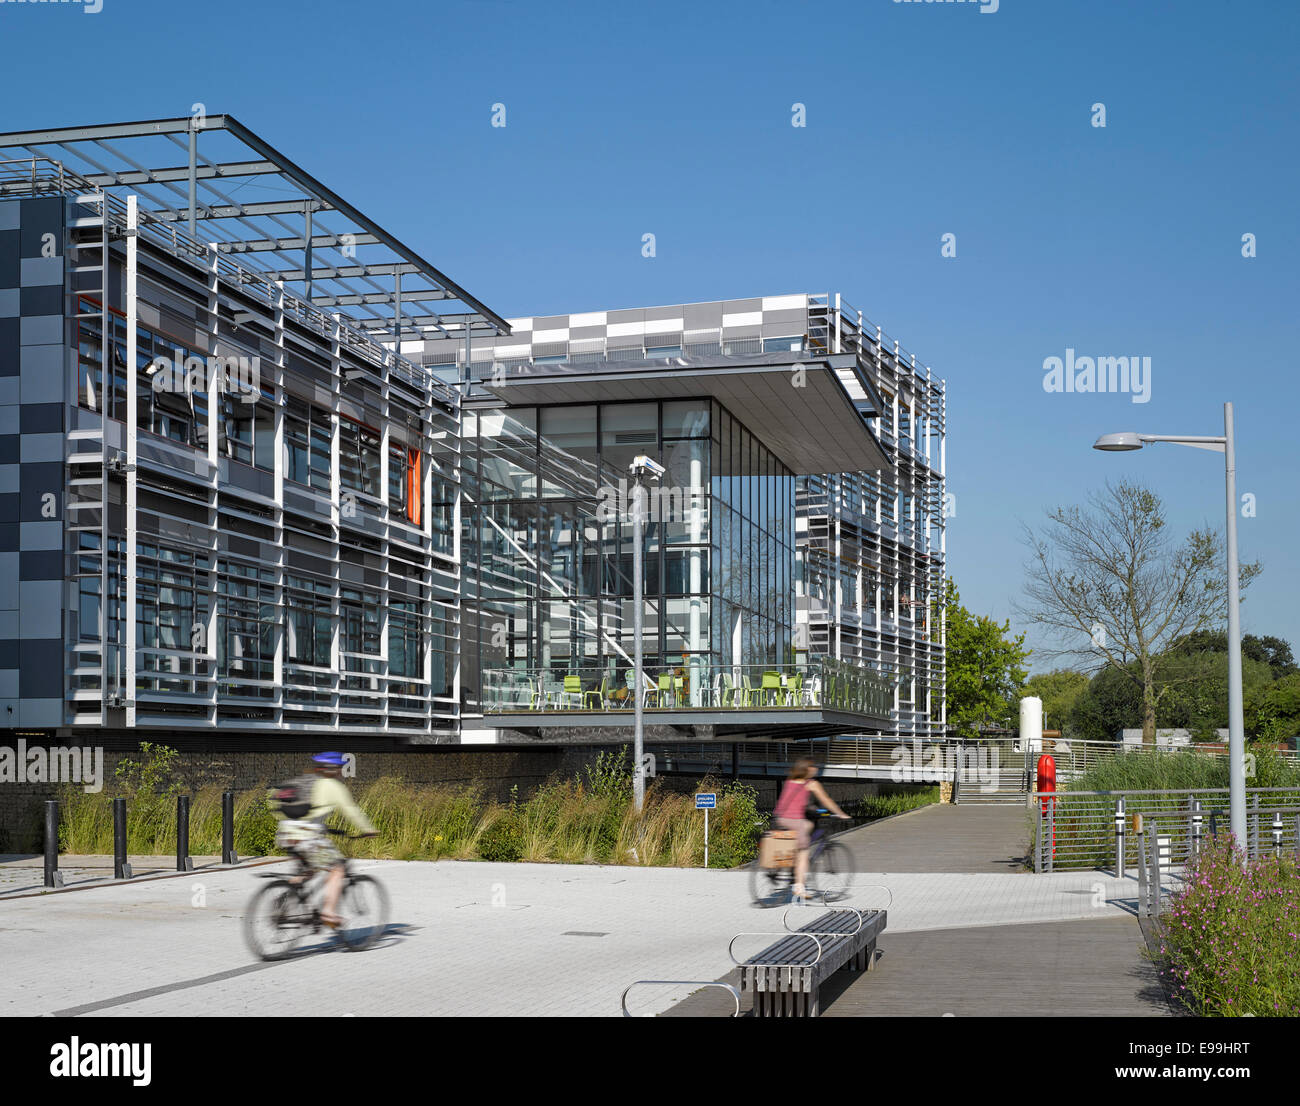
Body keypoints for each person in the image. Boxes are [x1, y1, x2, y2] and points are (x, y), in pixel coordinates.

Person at [273, 752, 378, 928]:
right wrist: (368, 829)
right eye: (340, 768)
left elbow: (283, 807)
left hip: (286, 834)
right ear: (336, 769)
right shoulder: (334, 787)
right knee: (337, 869)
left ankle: (286, 897)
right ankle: (328, 912)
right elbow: (351, 811)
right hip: (308, 837)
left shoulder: (305, 782)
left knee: (309, 871)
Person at [773, 757, 849, 899]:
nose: (816, 769)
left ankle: (789, 868)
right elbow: (826, 801)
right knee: (803, 854)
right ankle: (799, 888)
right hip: (795, 821)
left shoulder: (789, 781)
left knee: (809, 826)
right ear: (807, 769)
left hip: (781, 819)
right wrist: (841, 814)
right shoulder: (811, 783)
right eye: (813, 767)